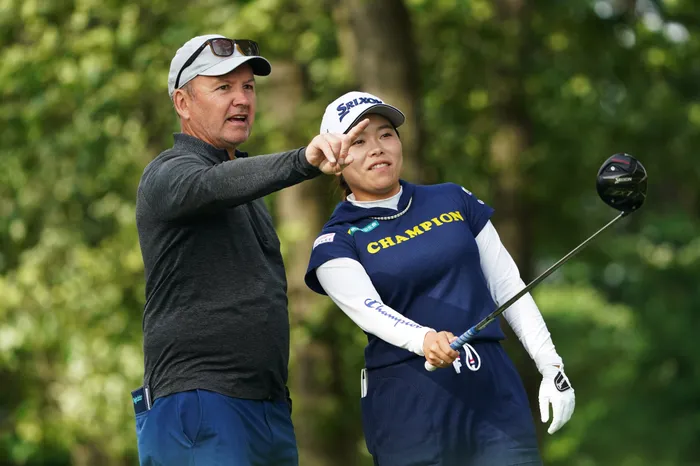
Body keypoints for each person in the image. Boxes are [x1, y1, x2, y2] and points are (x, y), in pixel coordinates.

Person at [304, 91, 576, 466]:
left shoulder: (452, 199)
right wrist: (424, 339)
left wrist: (551, 366)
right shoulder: (335, 241)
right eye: (359, 141)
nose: (377, 148)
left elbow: (508, 286)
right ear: (335, 160)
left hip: (491, 390)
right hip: (411, 401)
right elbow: (368, 309)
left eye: (386, 134)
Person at [131, 35, 367, 466]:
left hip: (268, 410)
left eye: (248, 87)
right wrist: (302, 159)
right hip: (200, 404)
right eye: (223, 87)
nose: (241, 99)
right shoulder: (167, 173)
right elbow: (212, 184)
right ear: (183, 103)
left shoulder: (246, 189)